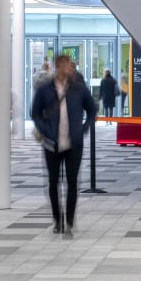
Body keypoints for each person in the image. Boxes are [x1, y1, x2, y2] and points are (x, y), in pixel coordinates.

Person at [30, 54, 97, 236]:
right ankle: (57, 220)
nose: (70, 68)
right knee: (53, 182)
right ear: (58, 67)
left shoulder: (78, 89)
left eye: (70, 66)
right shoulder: (45, 90)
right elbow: (35, 113)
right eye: (66, 65)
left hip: (74, 143)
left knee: (72, 182)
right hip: (51, 143)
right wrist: (44, 129)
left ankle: (69, 220)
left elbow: (92, 109)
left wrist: (84, 128)